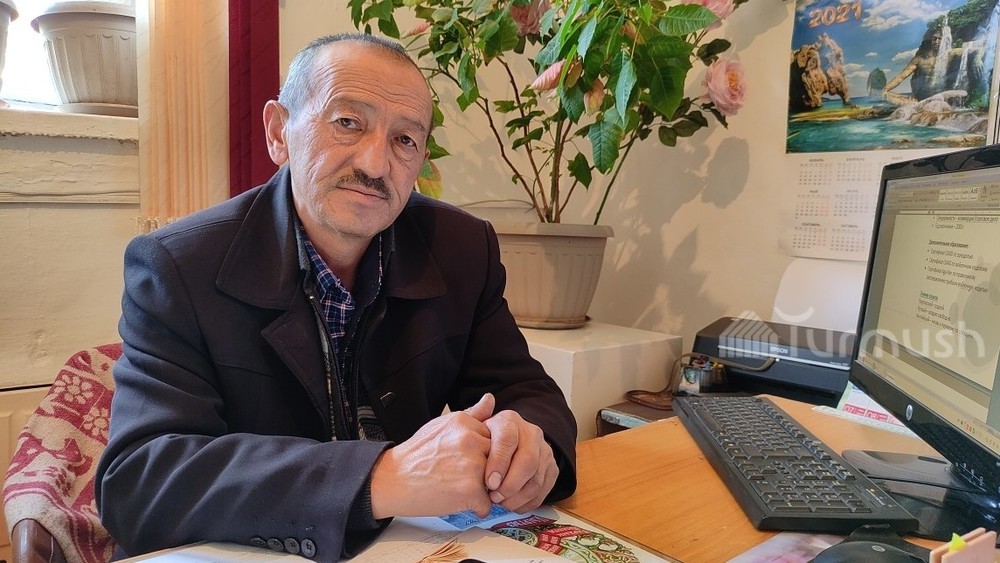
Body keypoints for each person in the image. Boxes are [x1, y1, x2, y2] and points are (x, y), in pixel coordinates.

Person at [96, 33, 577, 561]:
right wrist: (381, 477)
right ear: (278, 133)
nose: (375, 165)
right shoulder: (178, 265)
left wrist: (528, 443)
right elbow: (139, 480)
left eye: (404, 139)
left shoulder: (462, 248)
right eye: (348, 122)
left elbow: (524, 391)